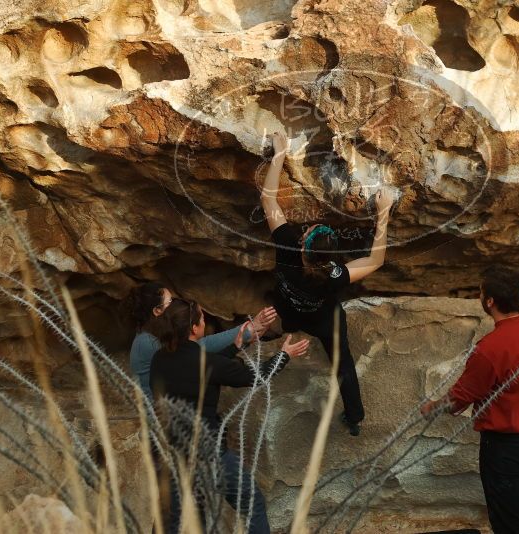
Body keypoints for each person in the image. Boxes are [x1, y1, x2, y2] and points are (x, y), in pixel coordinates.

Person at [259, 131, 394, 436]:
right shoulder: (335, 274)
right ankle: (354, 418)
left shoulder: (288, 249)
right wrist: (383, 215)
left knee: (284, 310)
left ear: (303, 244)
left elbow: (268, 200)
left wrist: (279, 155)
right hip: (323, 318)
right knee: (342, 362)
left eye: (308, 231)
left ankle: (281, 331)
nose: (307, 228)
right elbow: (375, 261)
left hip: (290, 308)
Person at [150, 297, 309, 534]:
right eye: (203, 319)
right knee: (252, 504)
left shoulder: (160, 359)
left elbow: (203, 368)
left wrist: (236, 346)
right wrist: (284, 355)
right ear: (194, 328)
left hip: (168, 455)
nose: (205, 322)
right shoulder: (206, 363)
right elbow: (255, 376)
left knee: (172, 521)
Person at [421, 266, 519, 534]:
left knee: (506, 524)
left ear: (490, 301)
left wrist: (431, 407)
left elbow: (459, 399)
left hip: (505, 447)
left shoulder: (490, 348)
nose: (479, 296)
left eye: (481, 292)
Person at [124, 282, 278, 399]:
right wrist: (248, 330)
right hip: (162, 418)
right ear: (157, 311)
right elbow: (199, 348)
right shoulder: (147, 342)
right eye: (170, 302)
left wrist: (242, 340)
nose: (176, 304)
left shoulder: (157, 332)